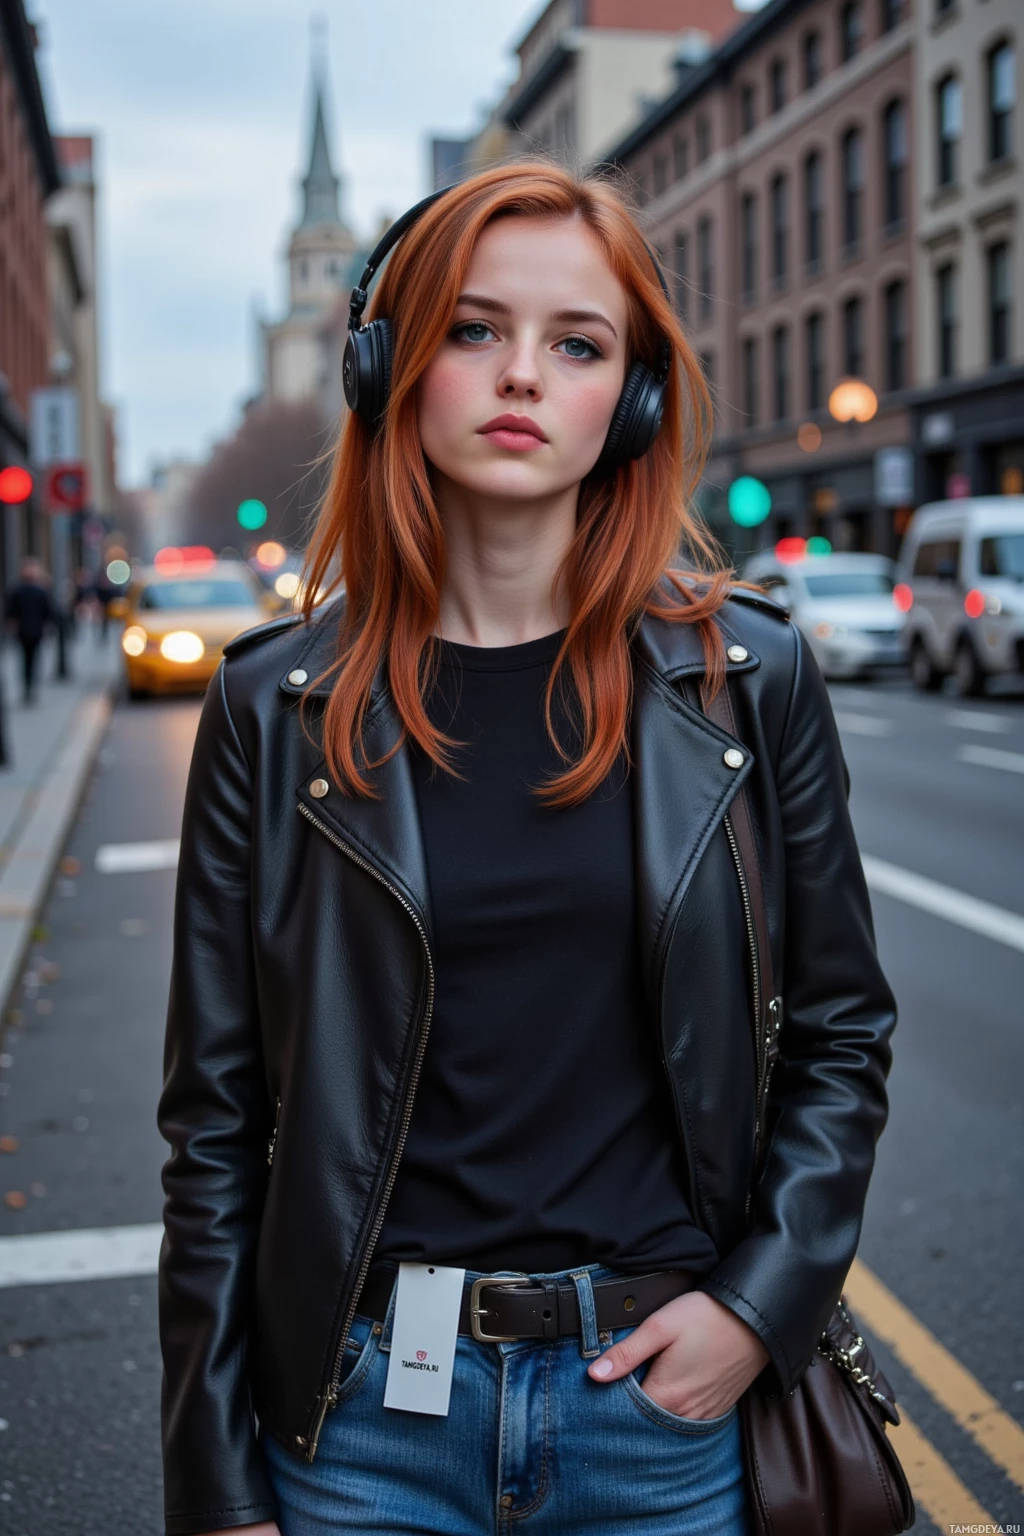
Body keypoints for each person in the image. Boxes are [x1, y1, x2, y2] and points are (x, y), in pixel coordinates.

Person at [158, 163, 897, 1536]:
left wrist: (754, 1310)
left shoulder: (749, 676)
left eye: (578, 344)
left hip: (662, 1419)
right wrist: (216, 1479)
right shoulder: (273, 707)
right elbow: (212, 1129)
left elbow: (842, 1036)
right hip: (363, 1419)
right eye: (473, 329)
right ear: (391, 369)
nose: (522, 377)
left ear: (636, 397)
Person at [5, 557, 55, 704]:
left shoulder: (38, 592)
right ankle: (28, 688)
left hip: (34, 632)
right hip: (25, 632)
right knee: (27, 660)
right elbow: (11, 612)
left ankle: (30, 688)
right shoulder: (19, 591)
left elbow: (47, 612)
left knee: (31, 660)